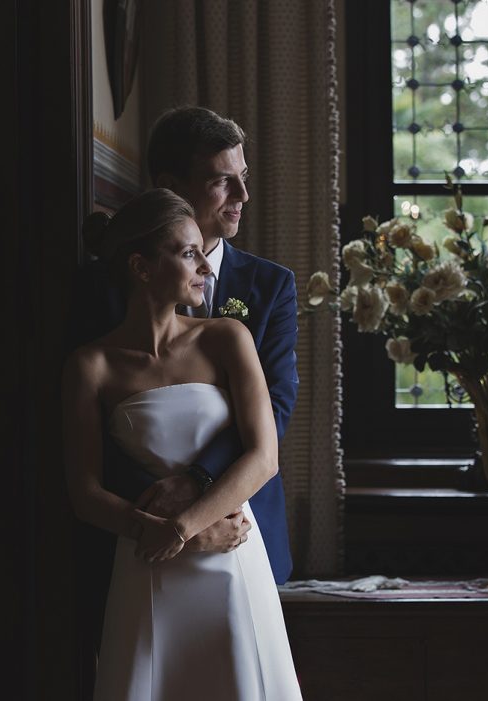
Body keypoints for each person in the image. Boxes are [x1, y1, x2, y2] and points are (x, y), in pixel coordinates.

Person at [63, 188, 302, 699]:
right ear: (141, 267)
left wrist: (186, 528)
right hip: (146, 562)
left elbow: (264, 457)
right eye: (188, 253)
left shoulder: (226, 338)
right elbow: (84, 492)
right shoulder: (91, 365)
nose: (207, 267)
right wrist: (174, 537)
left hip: (230, 547)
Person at [113, 106, 299, 585]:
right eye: (223, 181)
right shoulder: (109, 287)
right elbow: (89, 426)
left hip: (243, 524)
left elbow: (275, 407)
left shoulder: (269, 287)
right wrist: (155, 514)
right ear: (171, 185)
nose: (243, 195)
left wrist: (197, 486)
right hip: (138, 537)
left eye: (244, 177)